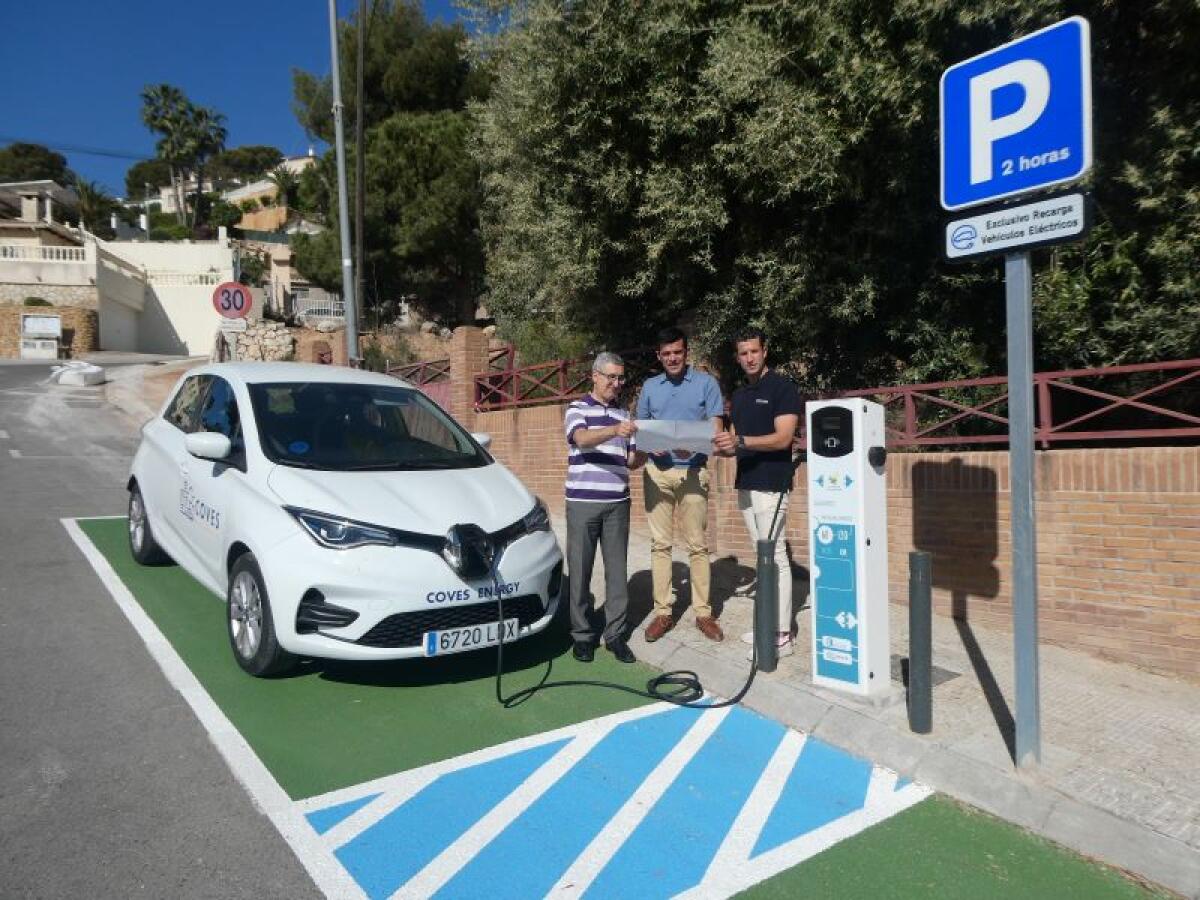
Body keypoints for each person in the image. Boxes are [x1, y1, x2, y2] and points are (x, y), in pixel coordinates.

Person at [712, 327, 802, 657]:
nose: (749, 358)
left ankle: (782, 634)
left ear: (765, 351)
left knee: (775, 556)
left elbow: (783, 438)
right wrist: (718, 447)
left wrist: (741, 442)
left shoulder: (782, 388)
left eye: (754, 351)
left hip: (772, 485)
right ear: (737, 357)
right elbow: (736, 442)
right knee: (761, 556)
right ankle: (769, 624)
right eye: (743, 353)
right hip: (747, 484)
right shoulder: (740, 395)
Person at [636, 326, 726, 643]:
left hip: (693, 472)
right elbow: (641, 430)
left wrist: (698, 446)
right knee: (661, 545)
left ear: (686, 353)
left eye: (678, 352)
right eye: (666, 353)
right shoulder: (649, 387)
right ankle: (663, 612)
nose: (672, 358)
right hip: (657, 472)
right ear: (659, 356)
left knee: (697, 545)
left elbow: (716, 429)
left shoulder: (706, 384)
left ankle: (703, 613)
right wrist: (649, 442)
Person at [564, 351, 642, 664]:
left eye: (620, 378)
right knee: (580, 571)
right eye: (610, 376)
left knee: (617, 574)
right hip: (582, 502)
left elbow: (632, 461)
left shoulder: (625, 414)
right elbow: (581, 439)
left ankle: (615, 636)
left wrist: (656, 450)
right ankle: (582, 636)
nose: (615, 383)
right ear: (594, 376)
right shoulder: (576, 408)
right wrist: (613, 430)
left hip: (617, 503)